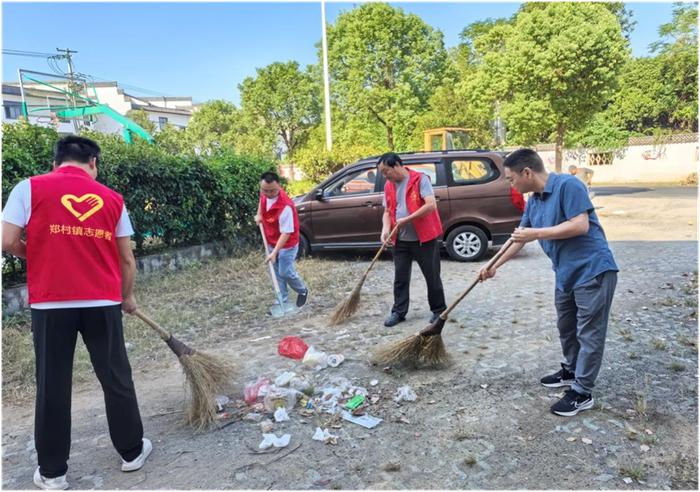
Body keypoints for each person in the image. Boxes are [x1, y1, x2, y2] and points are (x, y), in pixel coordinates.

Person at [1, 136, 152, 490]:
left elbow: (6, 241)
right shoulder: (113, 199)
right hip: (102, 303)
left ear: (56, 163)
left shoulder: (29, 188)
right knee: (115, 377)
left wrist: (34, 252)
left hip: (51, 304)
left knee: (52, 384)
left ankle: (53, 473)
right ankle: (131, 452)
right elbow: (127, 258)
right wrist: (125, 296)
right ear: (94, 164)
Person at [479, 149, 618, 417]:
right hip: (565, 273)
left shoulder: (569, 185)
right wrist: (492, 265)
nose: (511, 184)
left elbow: (580, 226)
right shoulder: (535, 201)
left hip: (593, 270)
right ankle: (571, 370)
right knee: (566, 326)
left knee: (589, 333)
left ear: (527, 173)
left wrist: (537, 233)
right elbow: (519, 237)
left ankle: (582, 392)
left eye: (511, 179)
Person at [378, 152, 447, 327]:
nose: (385, 176)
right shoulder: (389, 186)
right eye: (383, 173)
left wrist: (407, 220)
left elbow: (431, 205)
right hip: (400, 240)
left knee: (432, 276)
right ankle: (398, 312)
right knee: (400, 277)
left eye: (386, 171)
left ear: (396, 166)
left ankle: (439, 310)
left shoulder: (420, 179)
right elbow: (387, 212)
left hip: (424, 238)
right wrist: (385, 229)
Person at [254, 171, 308, 309]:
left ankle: (302, 290)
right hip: (271, 239)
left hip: (287, 244)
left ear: (279, 186)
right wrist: (259, 214)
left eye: (272, 191)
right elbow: (262, 200)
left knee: (285, 271)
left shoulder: (286, 207)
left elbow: (286, 233)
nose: (268, 193)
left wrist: (274, 253)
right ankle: (282, 300)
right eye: (265, 190)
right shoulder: (264, 193)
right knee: (276, 273)